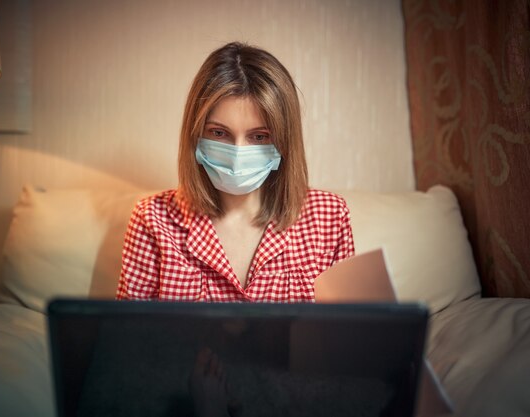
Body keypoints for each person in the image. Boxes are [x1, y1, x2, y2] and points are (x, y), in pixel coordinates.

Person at [116, 41, 354, 302]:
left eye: (260, 136)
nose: (238, 153)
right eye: (219, 133)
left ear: (284, 142)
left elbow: (345, 334)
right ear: (195, 134)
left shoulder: (329, 218)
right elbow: (129, 335)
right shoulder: (152, 219)